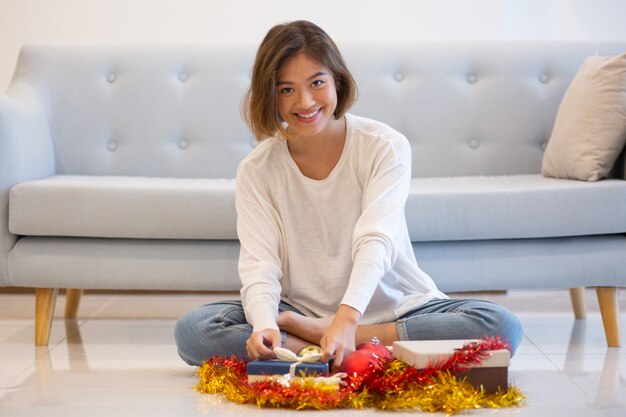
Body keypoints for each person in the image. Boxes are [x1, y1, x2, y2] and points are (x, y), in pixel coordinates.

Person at [174, 20, 522, 369]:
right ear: (270, 96)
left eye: (317, 83)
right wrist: (266, 326)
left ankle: (331, 345)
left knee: (502, 326)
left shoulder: (384, 146)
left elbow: (376, 240)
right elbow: (259, 264)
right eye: (286, 90)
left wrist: (345, 322)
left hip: (394, 310)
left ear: (337, 80)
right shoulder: (256, 169)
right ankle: (322, 346)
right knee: (194, 331)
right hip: (297, 311)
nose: (305, 102)